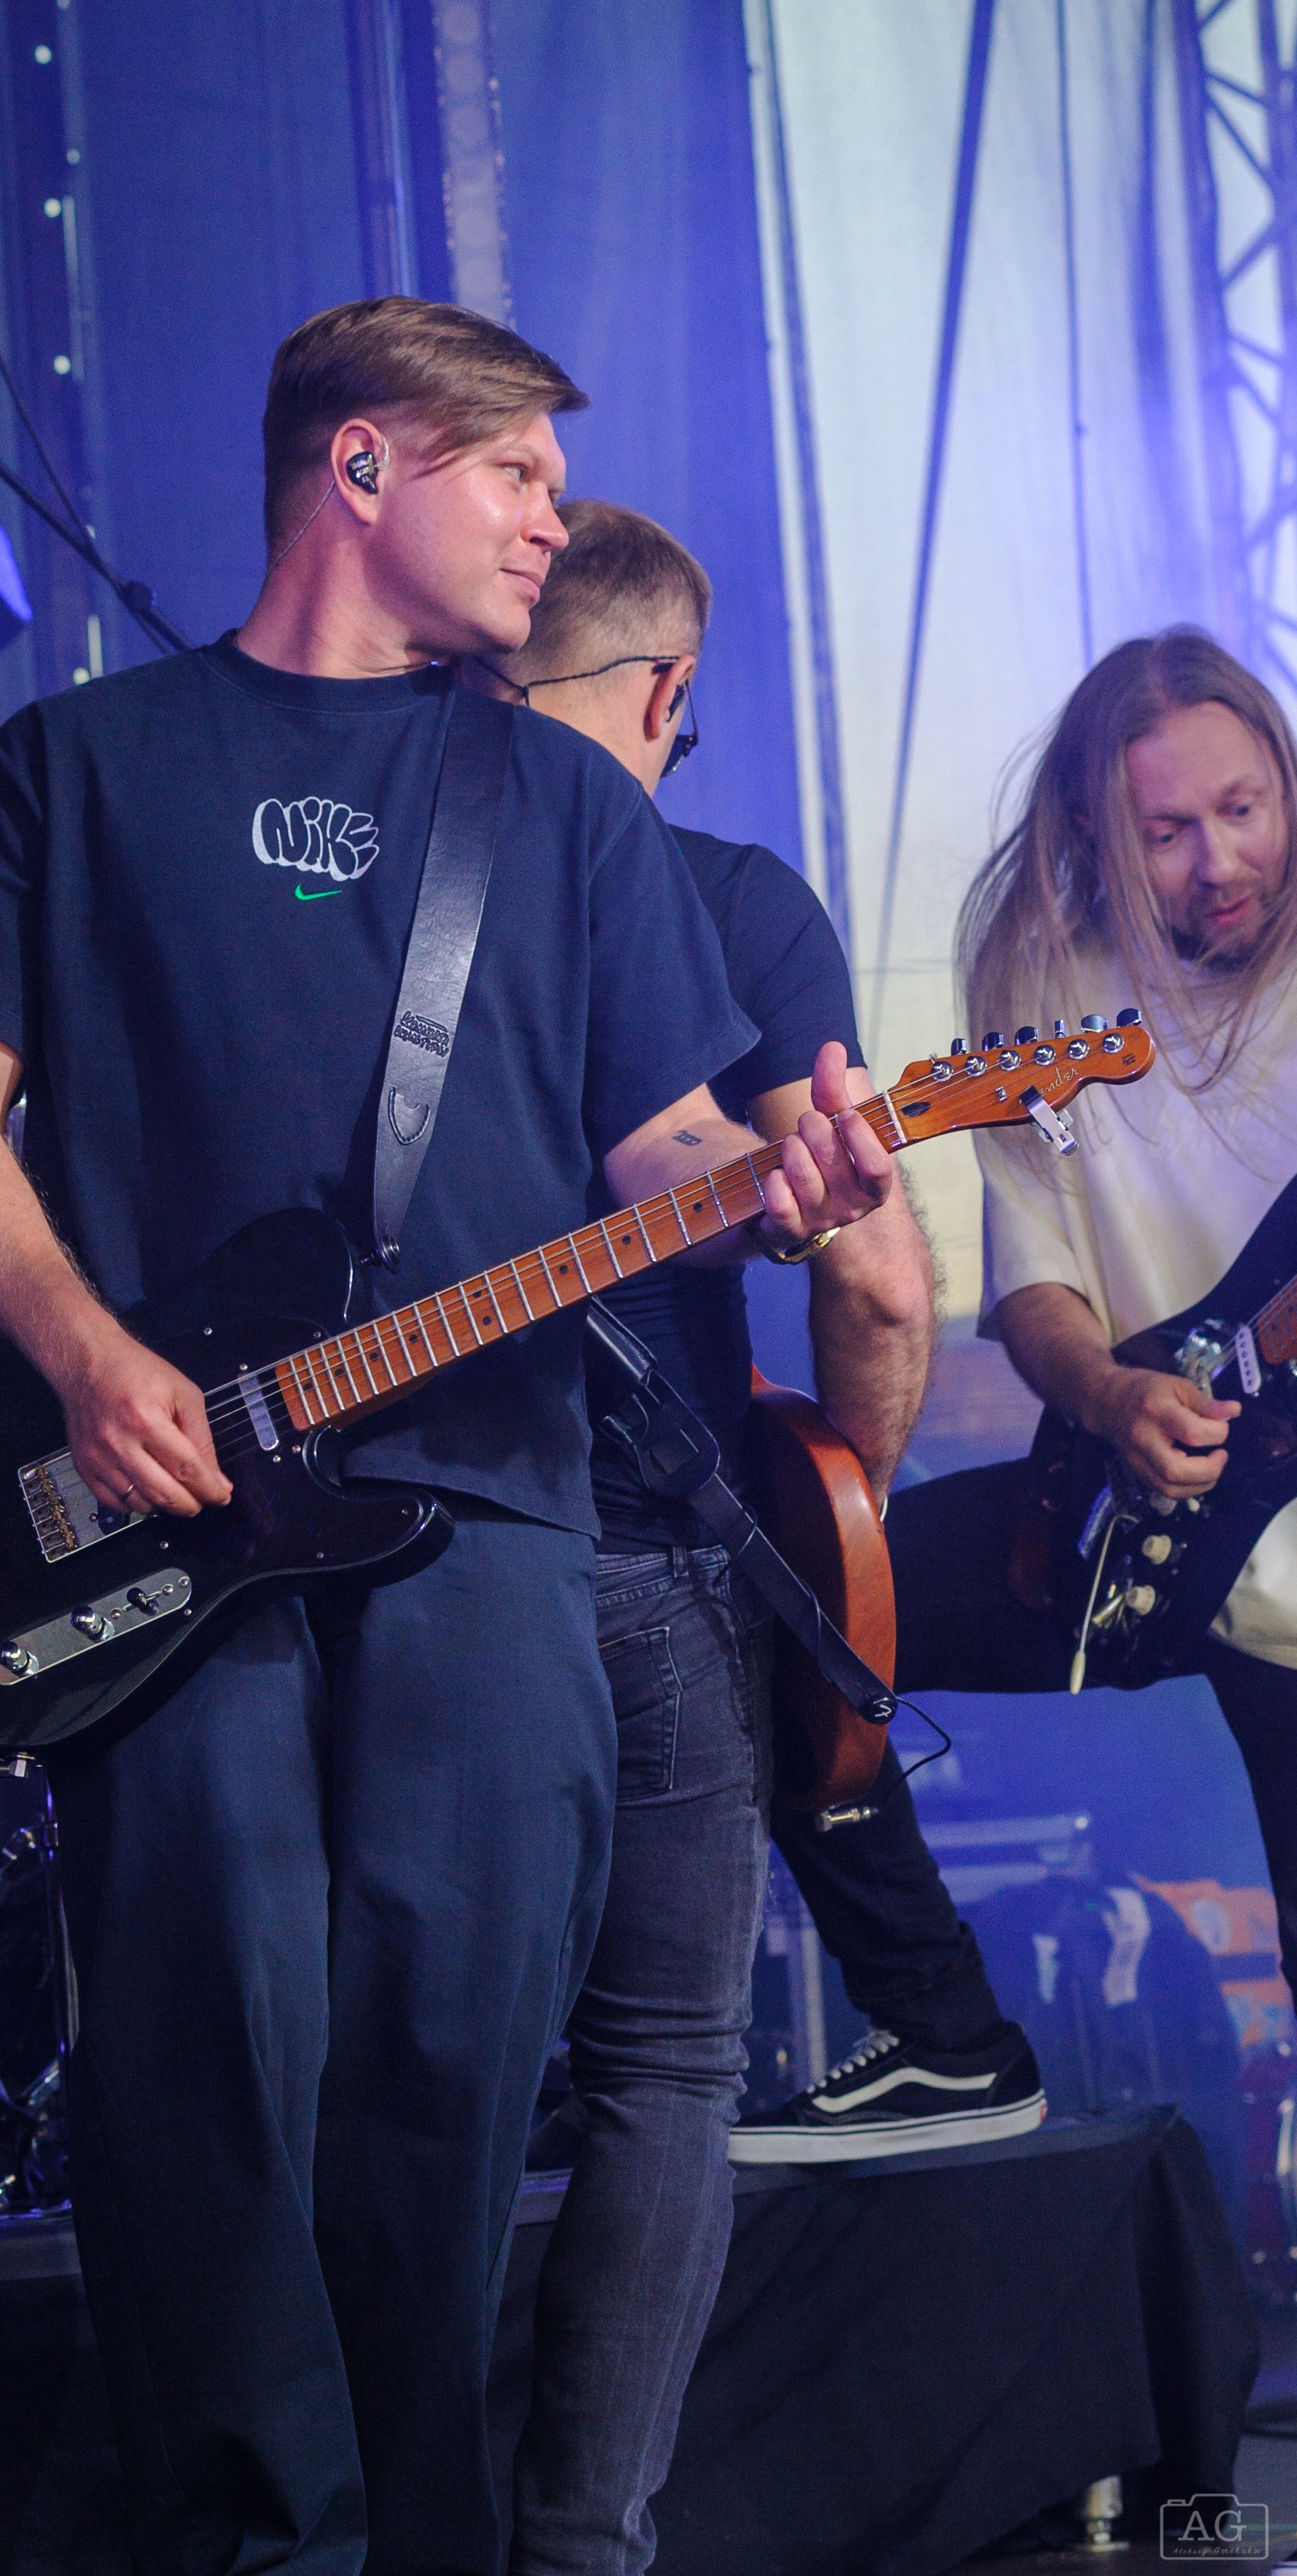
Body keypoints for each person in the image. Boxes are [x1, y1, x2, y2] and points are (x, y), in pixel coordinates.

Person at [0, 300, 895, 2576]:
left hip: (496, 1540)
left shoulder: (561, 808)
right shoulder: (78, 766)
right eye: (510, 470)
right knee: (199, 2095)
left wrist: (782, 1180)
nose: (550, 519)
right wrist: (79, 1352)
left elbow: (658, 1150)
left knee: (443, 2109)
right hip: (176, 1525)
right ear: (357, 469)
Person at [478, 499, 1041, 2576]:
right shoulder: (728, 908)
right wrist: (832, 1511)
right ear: (667, 698)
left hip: (385, 1545)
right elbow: (877, 1280)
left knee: (426, 2056)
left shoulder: (385, 896)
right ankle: (580, 2546)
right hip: (651, 1542)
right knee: (655, 2077)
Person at [890, 625, 1297, 2010]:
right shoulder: (1042, 993)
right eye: (1166, 829)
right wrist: (1113, 1397)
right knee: (797, 1612)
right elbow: (1031, 1291)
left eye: (1243, 808)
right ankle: (943, 2031)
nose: (1219, 859)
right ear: (1091, 829)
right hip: (1147, 1521)